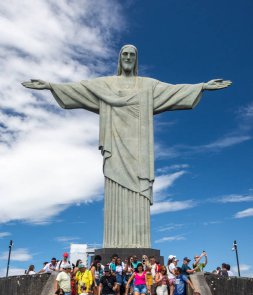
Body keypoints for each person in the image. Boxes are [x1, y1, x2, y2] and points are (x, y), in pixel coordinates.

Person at [23, 45, 231, 249]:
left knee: (138, 189)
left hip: (139, 150)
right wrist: (51, 85)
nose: (129, 57)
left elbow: (173, 91)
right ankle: (114, 242)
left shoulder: (148, 85)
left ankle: (139, 242)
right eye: (125, 54)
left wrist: (202, 86)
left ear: (136, 59)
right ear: (120, 58)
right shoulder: (105, 84)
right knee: (114, 185)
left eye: (132, 54)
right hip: (115, 145)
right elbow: (79, 89)